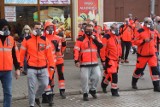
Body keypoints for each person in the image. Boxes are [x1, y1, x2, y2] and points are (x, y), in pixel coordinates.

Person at [20, 22, 55, 107]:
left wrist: (51, 65)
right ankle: (31, 104)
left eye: (40, 28)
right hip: (31, 68)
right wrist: (20, 65)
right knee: (31, 87)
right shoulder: (27, 39)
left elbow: (49, 54)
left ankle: (37, 96)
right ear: (32, 29)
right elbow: (21, 54)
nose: (38, 30)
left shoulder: (44, 39)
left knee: (45, 84)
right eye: (36, 28)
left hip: (43, 67)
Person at [74, 24, 103, 101]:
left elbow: (101, 46)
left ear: (93, 30)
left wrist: (94, 39)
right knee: (85, 79)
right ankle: (85, 93)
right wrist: (76, 61)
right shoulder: (80, 39)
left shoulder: (95, 38)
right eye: (88, 30)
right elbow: (76, 50)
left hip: (94, 62)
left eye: (91, 30)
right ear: (84, 30)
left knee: (97, 76)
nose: (89, 32)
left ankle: (93, 90)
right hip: (84, 63)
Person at [131, 17, 160, 92]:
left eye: (150, 22)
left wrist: (156, 51)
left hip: (152, 55)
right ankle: (134, 82)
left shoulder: (154, 31)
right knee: (138, 70)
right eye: (148, 22)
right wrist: (143, 40)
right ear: (144, 22)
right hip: (142, 55)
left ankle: (156, 87)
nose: (149, 23)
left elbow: (157, 40)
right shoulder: (139, 31)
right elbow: (135, 42)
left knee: (155, 71)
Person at [0, 19, 21, 107]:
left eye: (7, 28)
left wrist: (17, 69)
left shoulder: (11, 39)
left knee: (8, 93)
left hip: (7, 71)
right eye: (4, 28)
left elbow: (15, 55)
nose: (6, 30)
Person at [100, 23, 120, 97]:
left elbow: (118, 47)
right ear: (111, 28)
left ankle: (103, 85)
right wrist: (103, 60)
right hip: (109, 59)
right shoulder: (106, 37)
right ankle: (114, 91)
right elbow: (102, 49)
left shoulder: (116, 36)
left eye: (117, 28)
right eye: (115, 28)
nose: (117, 30)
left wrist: (120, 56)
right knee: (114, 75)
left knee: (109, 74)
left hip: (116, 59)